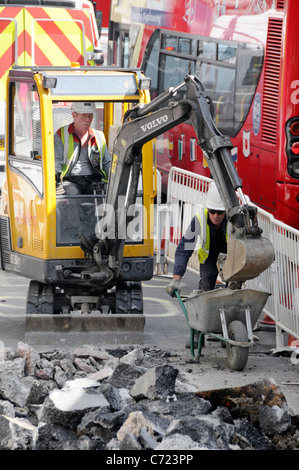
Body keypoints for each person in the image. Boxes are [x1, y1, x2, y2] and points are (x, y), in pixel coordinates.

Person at [166, 182, 228, 347]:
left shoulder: (234, 222)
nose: (215, 215)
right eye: (212, 211)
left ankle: (228, 333)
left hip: (230, 257)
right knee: (204, 294)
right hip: (209, 257)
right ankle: (198, 334)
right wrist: (176, 279)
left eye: (220, 212)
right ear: (208, 209)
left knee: (232, 294)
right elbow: (184, 249)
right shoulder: (199, 219)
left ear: (226, 211)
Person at [54, 102, 111, 195]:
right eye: (83, 115)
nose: (87, 119)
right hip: (70, 179)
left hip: (94, 179)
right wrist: (56, 181)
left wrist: (114, 179)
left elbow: (107, 162)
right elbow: (55, 160)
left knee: (106, 192)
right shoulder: (61, 134)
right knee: (72, 193)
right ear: (74, 115)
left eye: (90, 116)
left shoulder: (99, 136)